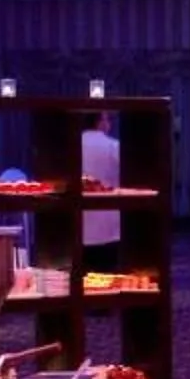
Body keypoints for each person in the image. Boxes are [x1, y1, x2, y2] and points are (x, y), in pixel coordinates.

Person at [79, 113, 121, 270]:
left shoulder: (71, 145)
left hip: (79, 222)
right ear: (100, 122)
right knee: (107, 276)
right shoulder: (113, 146)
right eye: (107, 119)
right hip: (108, 223)